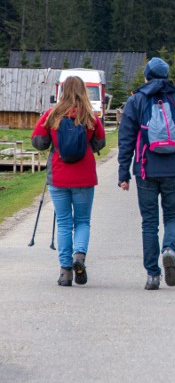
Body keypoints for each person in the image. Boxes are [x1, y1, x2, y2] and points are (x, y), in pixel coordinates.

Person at [118, 58, 175, 290]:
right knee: (173, 216)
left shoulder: (135, 101)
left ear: (146, 77)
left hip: (145, 169)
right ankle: (169, 250)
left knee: (149, 223)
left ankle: (152, 275)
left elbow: (125, 140)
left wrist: (123, 173)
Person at [31, 76, 106, 287]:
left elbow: (39, 142)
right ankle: (79, 257)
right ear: (83, 91)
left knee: (63, 222)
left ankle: (65, 272)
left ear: (62, 91)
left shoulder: (52, 114)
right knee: (82, 221)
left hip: (59, 176)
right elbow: (100, 142)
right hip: (84, 176)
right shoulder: (90, 116)